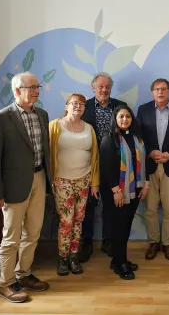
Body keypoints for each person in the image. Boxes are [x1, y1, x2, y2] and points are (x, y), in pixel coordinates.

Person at [0, 72, 52, 303]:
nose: (36, 91)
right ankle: (5, 283)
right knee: (11, 236)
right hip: (13, 185)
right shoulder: (1, 118)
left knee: (33, 232)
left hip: (39, 178)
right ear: (16, 91)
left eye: (38, 86)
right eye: (31, 87)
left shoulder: (41, 115)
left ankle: (23, 275)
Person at [136, 78, 169, 260]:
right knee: (150, 207)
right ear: (152, 92)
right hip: (149, 165)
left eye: (164, 89)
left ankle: (167, 244)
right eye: (157, 89)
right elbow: (138, 135)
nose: (160, 92)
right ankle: (153, 243)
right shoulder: (143, 110)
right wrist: (150, 152)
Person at [78, 72, 127, 261]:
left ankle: (108, 242)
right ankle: (86, 242)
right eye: (100, 86)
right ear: (93, 88)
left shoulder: (119, 106)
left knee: (111, 206)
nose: (104, 90)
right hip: (88, 163)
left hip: (113, 164)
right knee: (88, 205)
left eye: (107, 87)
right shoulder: (85, 107)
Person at [49, 93, 99, 276]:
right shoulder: (55, 126)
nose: (78, 106)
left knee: (79, 220)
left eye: (82, 104)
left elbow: (95, 157)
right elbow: (47, 154)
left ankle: (74, 257)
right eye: (74, 103)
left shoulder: (89, 128)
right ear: (67, 106)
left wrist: (94, 182)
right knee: (66, 221)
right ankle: (63, 257)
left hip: (84, 179)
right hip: (62, 180)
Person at [99, 105, 150, 280]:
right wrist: (116, 190)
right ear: (116, 118)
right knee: (119, 227)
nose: (124, 120)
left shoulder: (137, 137)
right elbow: (105, 167)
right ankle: (120, 264)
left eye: (127, 116)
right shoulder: (109, 138)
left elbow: (145, 162)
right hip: (117, 191)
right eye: (121, 116)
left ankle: (119, 260)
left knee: (126, 226)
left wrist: (145, 185)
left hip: (134, 189)